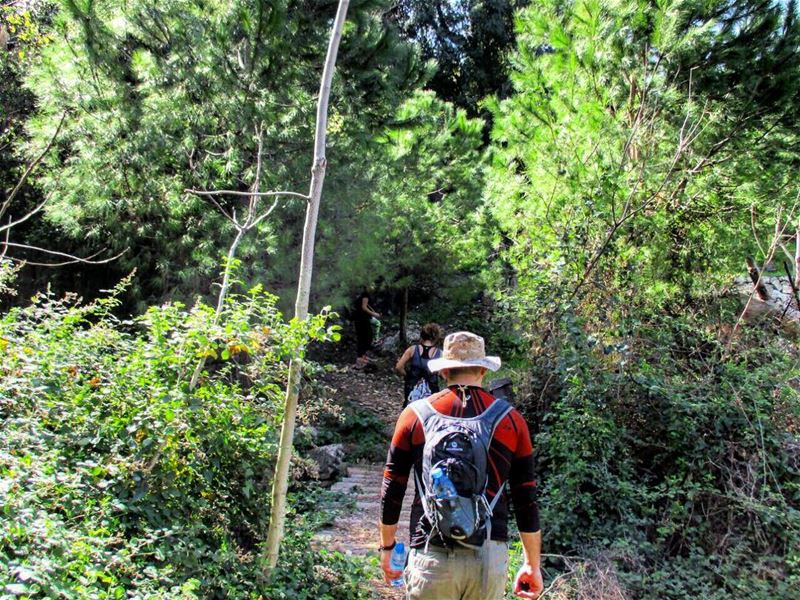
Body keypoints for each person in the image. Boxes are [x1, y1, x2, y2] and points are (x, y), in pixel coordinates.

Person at [379, 331, 543, 599]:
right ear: (482, 369)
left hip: (431, 552)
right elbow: (526, 498)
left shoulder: (414, 416)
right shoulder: (511, 421)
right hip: (487, 555)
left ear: (444, 372)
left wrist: (387, 548)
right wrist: (531, 565)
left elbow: (392, 487)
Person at [395, 323, 443, 407]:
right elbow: (442, 374)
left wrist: (407, 376)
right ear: (436, 337)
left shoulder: (412, 349)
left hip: (412, 388)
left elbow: (399, 367)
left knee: (410, 411)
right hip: (432, 391)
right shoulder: (440, 354)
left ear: (422, 335)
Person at [353, 289, 380, 369]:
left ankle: (363, 356)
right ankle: (360, 359)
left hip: (361, 319)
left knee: (366, 337)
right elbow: (364, 307)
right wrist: (374, 314)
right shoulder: (365, 295)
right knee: (365, 338)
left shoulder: (364, 295)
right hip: (361, 320)